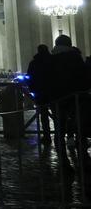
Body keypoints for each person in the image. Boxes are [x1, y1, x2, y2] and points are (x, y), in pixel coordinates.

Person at [46, 34, 91, 173]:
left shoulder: (51, 59)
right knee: (79, 127)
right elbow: (83, 76)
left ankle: (63, 161)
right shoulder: (74, 57)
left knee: (59, 128)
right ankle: (83, 159)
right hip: (75, 97)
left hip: (57, 99)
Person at [26, 44, 53, 144]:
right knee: (58, 113)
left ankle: (47, 136)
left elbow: (29, 77)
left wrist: (32, 89)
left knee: (44, 116)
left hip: (40, 92)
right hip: (53, 91)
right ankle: (61, 135)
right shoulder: (53, 60)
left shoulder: (34, 63)